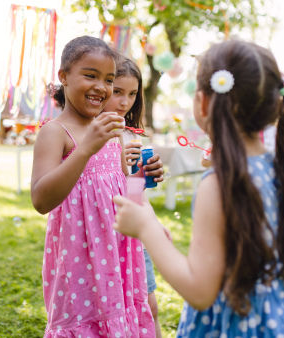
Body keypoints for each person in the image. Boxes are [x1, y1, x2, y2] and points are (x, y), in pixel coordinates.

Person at [113, 39, 284, 337]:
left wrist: (146, 227)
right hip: (283, 320)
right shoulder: (278, 166)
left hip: (236, 324)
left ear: (202, 102)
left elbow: (200, 291)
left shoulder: (219, 185)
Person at [30, 36, 162, 337]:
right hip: (81, 251)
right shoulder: (55, 132)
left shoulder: (110, 129)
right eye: (90, 75)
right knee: (87, 320)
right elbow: (40, 199)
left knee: (121, 314)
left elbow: (116, 188)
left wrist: (141, 177)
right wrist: (85, 148)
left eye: (109, 79)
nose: (101, 87)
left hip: (119, 249)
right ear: (63, 76)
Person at [103, 56, 168, 337]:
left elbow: (132, 190)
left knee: (148, 303)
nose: (124, 101)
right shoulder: (94, 134)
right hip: (106, 236)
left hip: (135, 235)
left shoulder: (129, 133)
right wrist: (120, 163)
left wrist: (146, 173)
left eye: (132, 94)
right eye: (117, 91)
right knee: (113, 306)